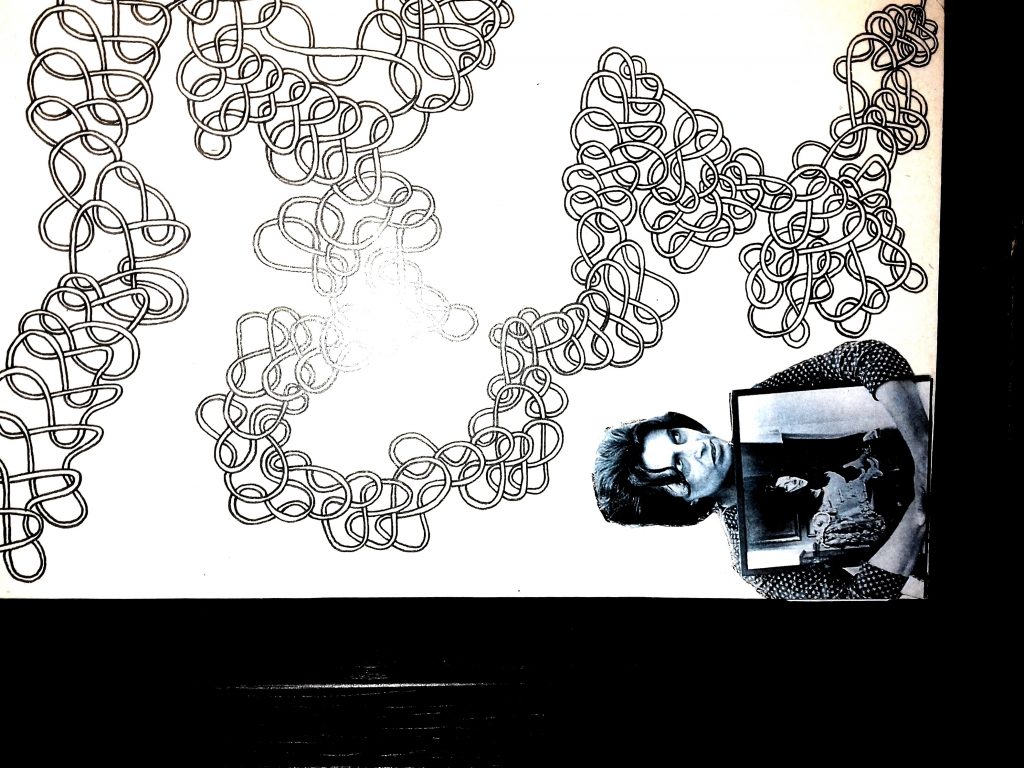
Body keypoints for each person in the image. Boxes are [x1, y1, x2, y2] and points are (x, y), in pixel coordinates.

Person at [591, 339, 930, 599]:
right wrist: (919, 513)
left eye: (677, 436)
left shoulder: (759, 405)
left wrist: (921, 448)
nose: (697, 447)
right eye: (680, 465)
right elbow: (857, 600)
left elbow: (864, 356)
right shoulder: (752, 561)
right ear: (683, 503)